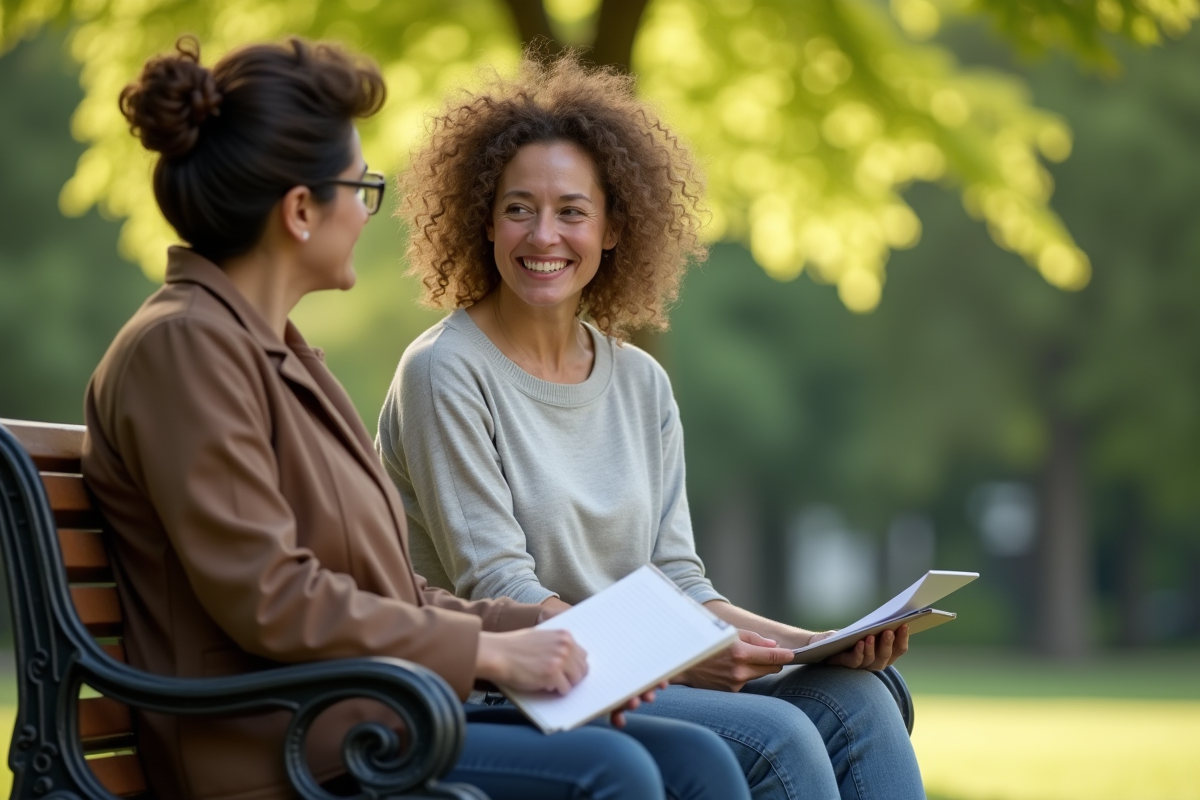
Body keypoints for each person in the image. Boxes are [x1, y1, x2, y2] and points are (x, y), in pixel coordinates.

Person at [81, 36, 751, 800]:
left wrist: (535, 636)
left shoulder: (278, 354)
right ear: (302, 210)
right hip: (286, 745)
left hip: (369, 715)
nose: (370, 214)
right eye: (360, 188)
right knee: (618, 768)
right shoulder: (186, 350)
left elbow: (388, 586)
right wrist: (493, 656)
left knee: (697, 762)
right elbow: (271, 596)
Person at [378, 52, 926, 800]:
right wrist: (674, 658)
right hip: (515, 689)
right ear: (485, 221)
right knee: (783, 739)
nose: (544, 236)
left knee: (858, 699)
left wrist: (819, 647)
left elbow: (678, 582)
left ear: (611, 230)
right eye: (518, 208)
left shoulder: (640, 381)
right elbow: (501, 590)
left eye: (572, 210)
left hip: (642, 673)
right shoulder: (445, 372)